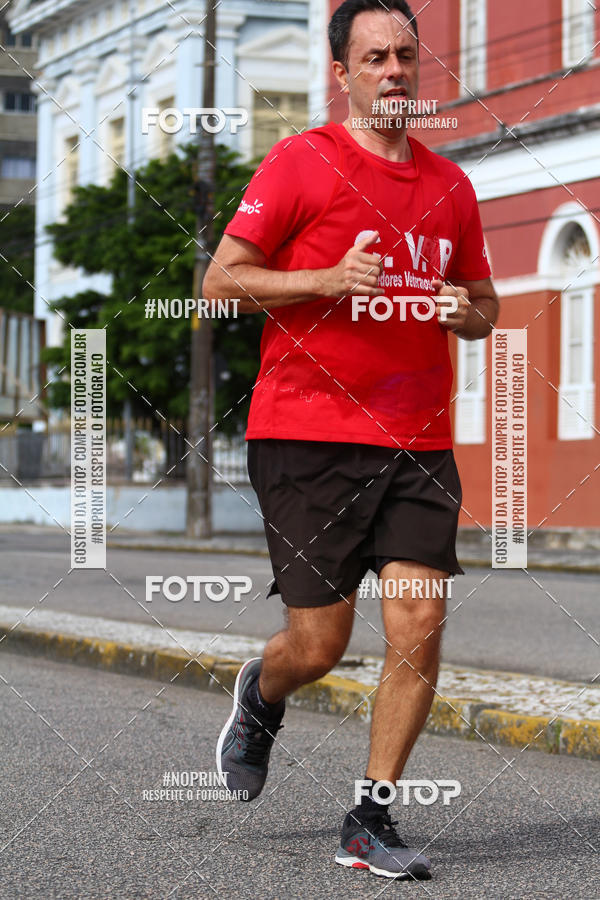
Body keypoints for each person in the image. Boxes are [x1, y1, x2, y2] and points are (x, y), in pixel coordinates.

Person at [205, 0, 498, 882]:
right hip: (307, 436)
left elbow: (486, 304)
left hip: (417, 441)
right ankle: (262, 693)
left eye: (406, 55)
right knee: (319, 645)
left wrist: (467, 313)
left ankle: (369, 817)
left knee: (420, 618)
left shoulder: (452, 186)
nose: (394, 72)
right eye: (374, 58)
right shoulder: (303, 161)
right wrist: (328, 278)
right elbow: (220, 284)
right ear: (343, 73)